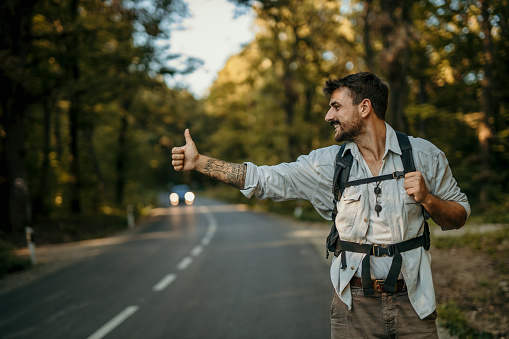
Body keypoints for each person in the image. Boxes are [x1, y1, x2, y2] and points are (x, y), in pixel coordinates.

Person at [171, 72, 470, 338]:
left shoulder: (424, 156)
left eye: (336, 106)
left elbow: (459, 216)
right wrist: (201, 163)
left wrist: (429, 200)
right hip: (352, 309)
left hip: (414, 304)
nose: (329, 116)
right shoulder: (328, 164)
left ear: (365, 107)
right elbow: (264, 179)